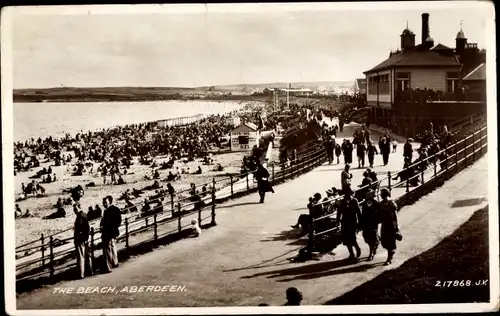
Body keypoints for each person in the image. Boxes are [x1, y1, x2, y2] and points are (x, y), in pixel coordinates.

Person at [336, 188, 362, 261]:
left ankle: (357, 248)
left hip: (353, 222)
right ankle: (351, 254)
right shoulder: (342, 202)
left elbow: (358, 212)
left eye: (349, 193)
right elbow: (339, 212)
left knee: (352, 237)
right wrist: (337, 222)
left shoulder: (354, 201)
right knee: (346, 239)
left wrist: (359, 223)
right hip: (344, 222)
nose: (347, 195)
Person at [100, 195, 122, 273]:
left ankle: (108, 267)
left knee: (107, 250)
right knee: (113, 247)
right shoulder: (116, 209)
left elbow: (105, 223)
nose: (104, 204)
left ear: (109, 201)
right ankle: (115, 262)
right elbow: (119, 221)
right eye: (103, 203)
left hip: (107, 233)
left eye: (105, 202)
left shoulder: (107, 211)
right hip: (114, 232)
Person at [379, 188, 400, 265]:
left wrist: (396, 226)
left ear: (385, 194)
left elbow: (395, 215)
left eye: (381, 194)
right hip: (384, 224)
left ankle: (389, 258)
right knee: (384, 240)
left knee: (390, 241)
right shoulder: (381, 203)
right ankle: (391, 253)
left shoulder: (391, 203)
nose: (380, 195)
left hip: (391, 224)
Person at [73, 203, 93, 279]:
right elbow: (87, 228)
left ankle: (81, 274)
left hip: (80, 240)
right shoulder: (84, 214)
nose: (74, 211)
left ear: (79, 207)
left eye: (75, 209)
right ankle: (90, 271)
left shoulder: (80, 216)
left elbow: (81, 229)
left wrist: (83, 238)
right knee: (87, 256)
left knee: (81, 257)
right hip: (85, 239)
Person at [360, 189, 380, 261]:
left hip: (373, 224)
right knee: (366, 237)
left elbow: (379, 214)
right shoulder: (364, 204)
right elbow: (362, 214)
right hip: (366, 223)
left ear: (372, 195)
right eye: (366, 195)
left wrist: (377, 221)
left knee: (372, 238)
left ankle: (371, 253)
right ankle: (376, 243)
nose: (367, 196)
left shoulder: (376, 203)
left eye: (369, 194)